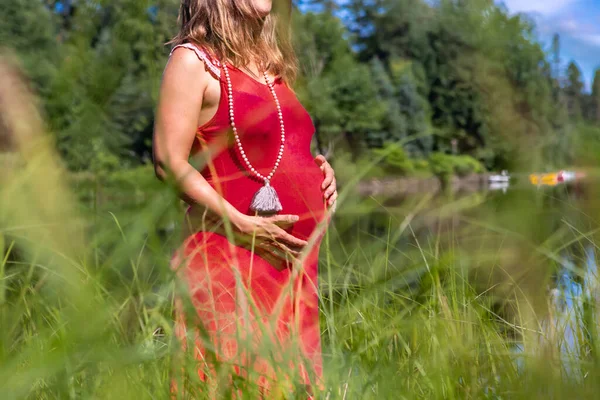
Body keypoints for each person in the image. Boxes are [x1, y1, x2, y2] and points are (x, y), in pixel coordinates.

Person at [152, 0, 337, 397]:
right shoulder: (193, 62)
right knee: (237, 382)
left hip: (294, 267)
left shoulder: (272, 68)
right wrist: (243, 222)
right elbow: (169, 161)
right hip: (230, 257)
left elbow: (284, 147)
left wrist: (318, 171)